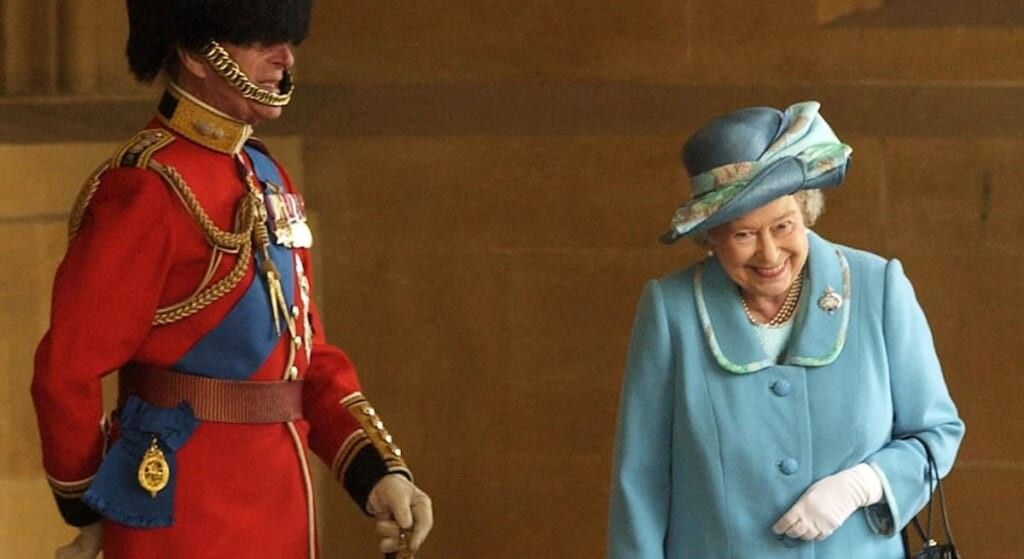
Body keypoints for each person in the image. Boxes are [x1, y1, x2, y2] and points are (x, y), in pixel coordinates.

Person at [30, 2, 432, 557]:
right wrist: (90, 505)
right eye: (260, 38)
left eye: (286, 39)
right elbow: (66, 372)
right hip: (182, 512)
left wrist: (376, 473)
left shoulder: (266, 174)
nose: (285, 57)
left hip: (282, 503)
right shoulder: (148, 188)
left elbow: (306, 359)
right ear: (197, 52)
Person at [607, 101, 964, 558]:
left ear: (806, 209)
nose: (770, 254)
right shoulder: (671, 311)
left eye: (783, 226)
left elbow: (936, 434)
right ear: (711, 237)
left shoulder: (878, 288)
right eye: (744, 235)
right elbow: (640, 480)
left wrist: (864, 483)